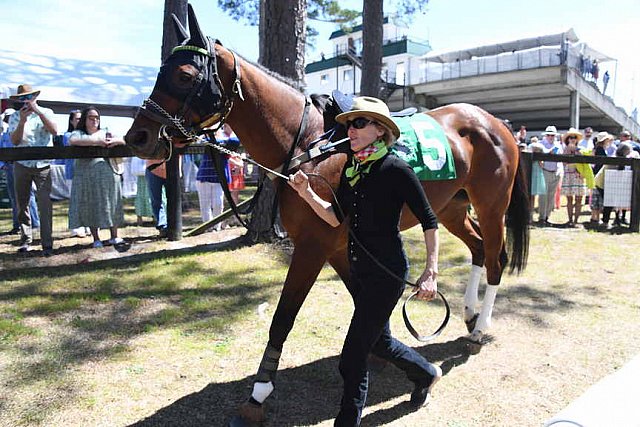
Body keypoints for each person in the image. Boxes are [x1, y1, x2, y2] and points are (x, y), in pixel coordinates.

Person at [289, 96, 441, 426]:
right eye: (349, 124)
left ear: (380, 130)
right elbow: (335, 218)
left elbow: (429, 219)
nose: (351, 130)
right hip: (361, 269)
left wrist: (431, 271)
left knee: (352, 358)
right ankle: (426, 373)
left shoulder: (396, 169)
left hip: (387, 274)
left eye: (359, 123)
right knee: (380, 341)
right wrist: (305, 193)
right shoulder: (353, 169)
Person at [7, 84, 57, 256]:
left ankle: (47, 244)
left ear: (35, 97)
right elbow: (14, 141)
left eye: (29, 97)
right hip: (22, 165)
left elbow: (55, 131)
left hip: (43, 165)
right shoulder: (14, 116)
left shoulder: (47, 112)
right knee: (22, 204)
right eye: (22, 98)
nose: (26, 101)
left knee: (45, 204)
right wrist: (22, 120)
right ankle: (25, 239)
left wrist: (38, 112)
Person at [68, 107, 125, 247]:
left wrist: (116, 141)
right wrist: (97, 142)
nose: (95, 121)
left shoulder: (107, 133)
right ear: (84, 120)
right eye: (91, 118)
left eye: (97, 118)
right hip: (87, 177)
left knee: (112, 203)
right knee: (90, 205)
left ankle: (114, 236)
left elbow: (125, 140)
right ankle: (96, 238)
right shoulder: (78, 133)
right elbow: (73, 140)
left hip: (109, 175)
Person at [1, 108, 40, 234]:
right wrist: (2, 165)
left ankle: (34, 223)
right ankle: (17, 225)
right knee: (14, 197)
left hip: (23, 165)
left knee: (29, 196)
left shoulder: (25, 131)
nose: (9, 120)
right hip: (9, 167)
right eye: (7, 118)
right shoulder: (4, 135)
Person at [63, 109, 90, 238]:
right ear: (72, 121)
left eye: (82, 118)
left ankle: (88, 225)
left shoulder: (86, 134)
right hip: (72, 173)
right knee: (75, 200)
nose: (80, 121)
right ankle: (76, 227)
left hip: (86, 172)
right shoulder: (67, 135)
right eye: (78, 119)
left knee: (87, 200)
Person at [560, 128, 587, 226]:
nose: (573, 139)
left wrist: (577, 151)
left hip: (579, 174)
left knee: (579, 199)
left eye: (574, 137)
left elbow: (584, 161)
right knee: (569, 199)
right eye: (571, 137)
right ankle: (570, 219)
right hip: (569, 174)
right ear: (568, 139)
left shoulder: (581, 149)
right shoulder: (566, 149)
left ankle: (576, 220)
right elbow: (564, 161)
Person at [538, 125, 563, 225]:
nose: (551, 137)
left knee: (551, 196)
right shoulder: (541, 144)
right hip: (545, 171)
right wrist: (549, 153)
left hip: (555, 171)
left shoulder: (558, 145)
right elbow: (541, 152)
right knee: (543, 196)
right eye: (549, 135)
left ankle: (547, 216)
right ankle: (541, 217)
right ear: (546, 135)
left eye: (552, 135)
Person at [589, 132, 614, 226]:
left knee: (596, 198)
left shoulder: (600, 149)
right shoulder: (600, 149)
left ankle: (595, 218)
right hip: (598, 175)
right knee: (597, 198)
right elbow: (600, 164)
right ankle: (595, 218)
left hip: (598, 175)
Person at [145, 158, 168, 237]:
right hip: (153, 169)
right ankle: (163, 226)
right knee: (156, 201)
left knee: (174, 201)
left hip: (173, 170)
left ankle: (173, 225)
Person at [527, 137, 546, 223]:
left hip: (537, 175)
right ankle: (529, 215)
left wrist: (539, 160)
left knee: (534, 196)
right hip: (530, 175)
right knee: (530, 197)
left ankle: (532, 215)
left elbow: (542, 165)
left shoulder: (540, 158)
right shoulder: (528, 156)